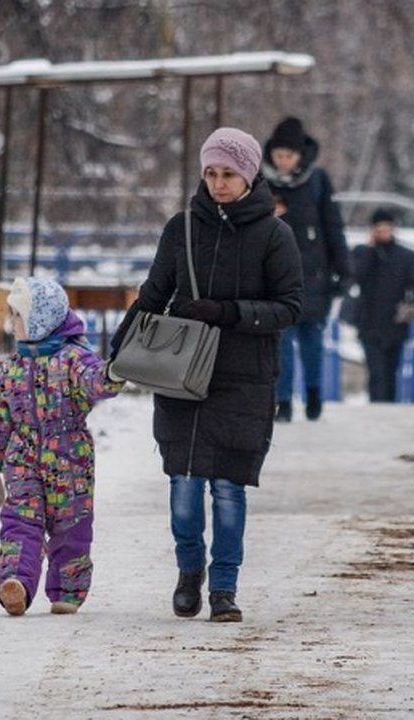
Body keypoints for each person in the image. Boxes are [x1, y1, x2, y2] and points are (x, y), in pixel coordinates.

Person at [109, 127, 303, 622]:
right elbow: (152, 293)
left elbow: (290, 307)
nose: (219, 184)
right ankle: (188, 571)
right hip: (181, 373)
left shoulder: (275, 236)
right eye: (211, 173)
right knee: (183, 485)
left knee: (228, 489)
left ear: (249, 176)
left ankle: (224, 588)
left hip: (244, 377)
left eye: (229, 175)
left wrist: (228, 311)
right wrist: (117, 353)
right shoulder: (182, 229)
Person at [0, 276, 125, 616]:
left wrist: (112, 376)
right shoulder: (11, 368)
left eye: (17, 315)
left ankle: (67, 591)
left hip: (69, 457)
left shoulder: (74, 359)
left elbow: (95, 383)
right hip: (23, 457)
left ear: (39, 320)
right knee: (20, 521)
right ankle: (15, 582)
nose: (11, 323)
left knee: (71, 525)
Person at [262, 116, 350, 422]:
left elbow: (333, 226)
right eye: (278, 156)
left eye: (289, 156)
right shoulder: (263, 181)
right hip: (275, 277)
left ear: (300, 155)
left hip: (314, 275)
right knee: (281, 345)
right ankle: (283, 401)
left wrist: (343, 270)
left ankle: (313, 394)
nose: (283, 162)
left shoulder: (317, 180)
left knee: (313, 343)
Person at [349, 207, 414, 403]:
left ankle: (389, 409)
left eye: (387, 228)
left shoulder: (405, 256)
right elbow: (354, 277)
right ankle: (377, 407)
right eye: (379, 229)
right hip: (369, 322)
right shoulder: (362, 253)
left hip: (395, 321)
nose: (384, 232)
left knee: (392, 371)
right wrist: (369, 250)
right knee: (376, 372)